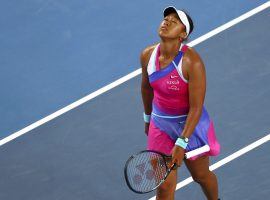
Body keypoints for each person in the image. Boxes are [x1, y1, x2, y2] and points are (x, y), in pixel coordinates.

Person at [140, 6, 221, 200]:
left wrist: (182, 142)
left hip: (190, 125)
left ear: (183, 34)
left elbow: (196, 107)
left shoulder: (192, 62)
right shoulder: (147, 56)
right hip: (160, 124)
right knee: (164, 187)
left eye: (174, 21)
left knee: (201, 176)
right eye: (166, 18)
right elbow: (146, 88)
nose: (167, 21)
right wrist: (147, 118)